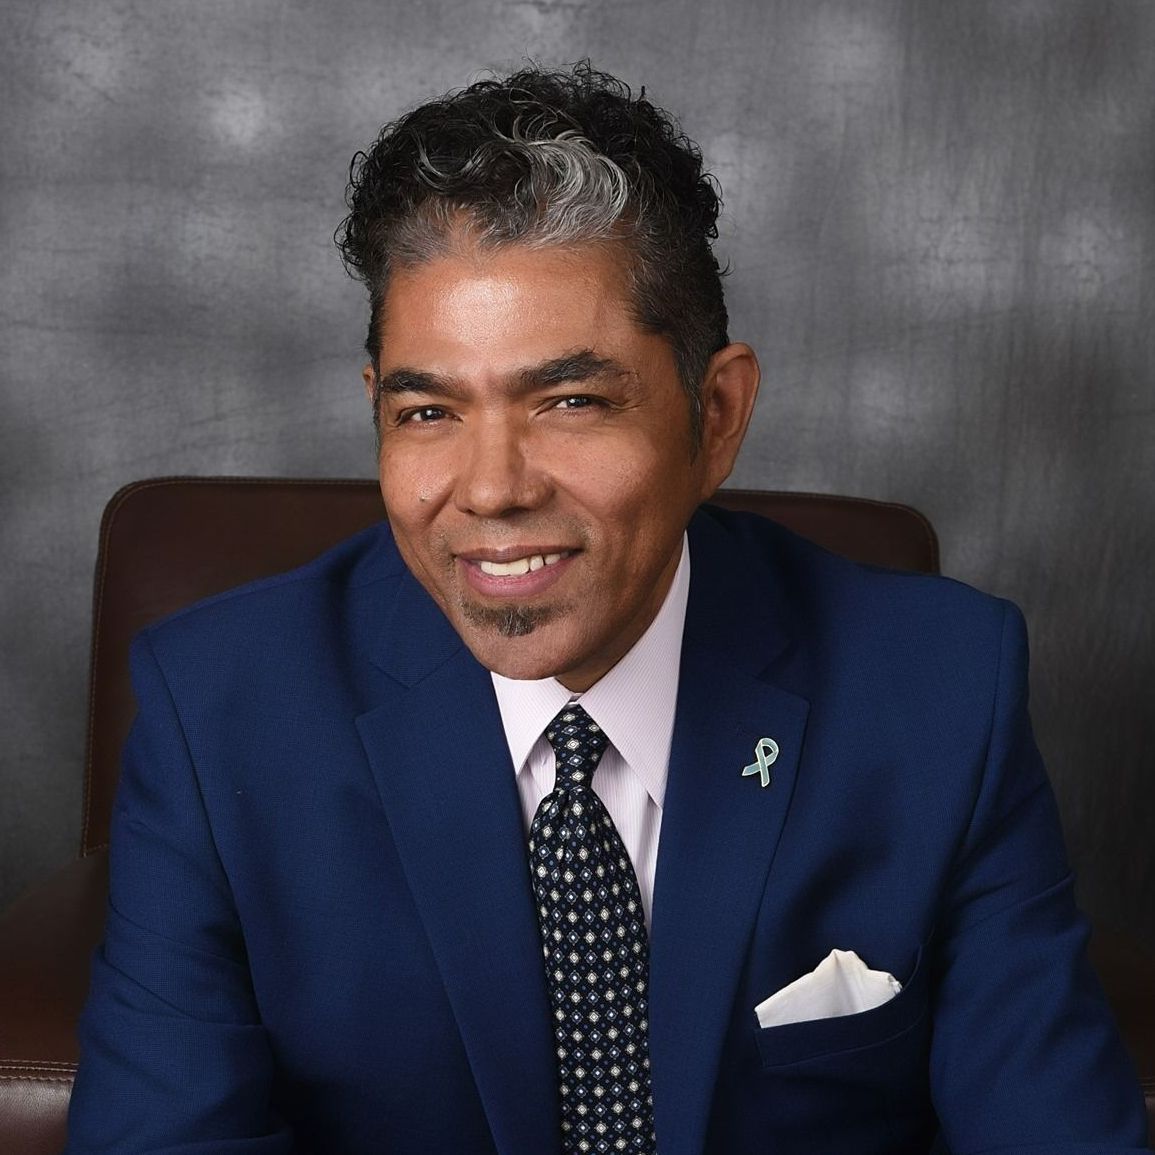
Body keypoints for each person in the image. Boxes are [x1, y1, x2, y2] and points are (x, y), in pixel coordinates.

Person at [66, 63, 1147, 1154]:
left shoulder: (942, 690)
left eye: (571, 401)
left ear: (715, 417)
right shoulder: (218, 715)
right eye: (430, 409)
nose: (490, 487)